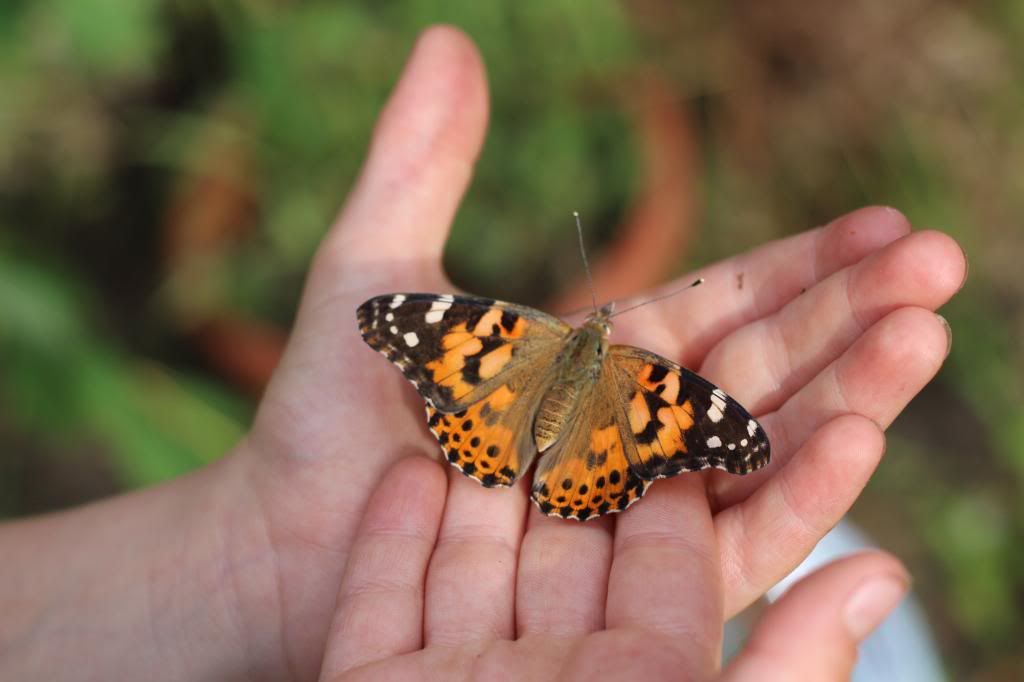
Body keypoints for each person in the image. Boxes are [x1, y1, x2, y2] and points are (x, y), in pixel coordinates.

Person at [0, 26, 966, 681]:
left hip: (491, 420)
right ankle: (572, 473)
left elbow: (708, 427)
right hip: (581, 458)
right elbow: (692, 418)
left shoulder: (510, 335)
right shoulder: (652, 385)